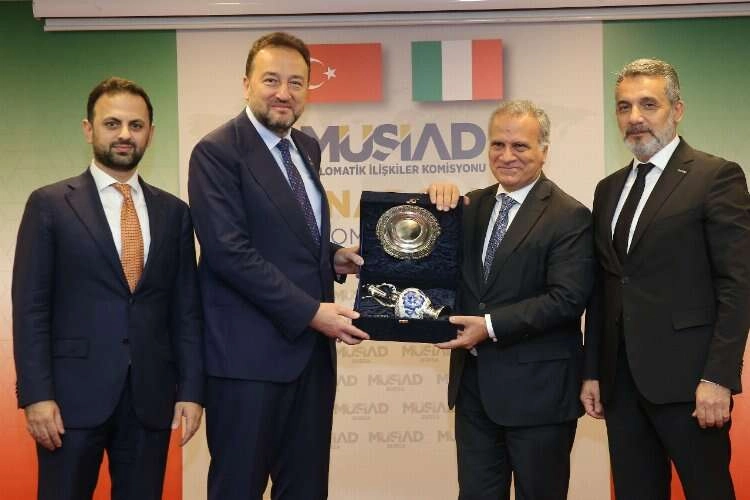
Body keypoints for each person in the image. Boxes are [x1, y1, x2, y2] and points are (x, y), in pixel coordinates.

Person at [188, 31, 369, 500]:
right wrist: (312, 312)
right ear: (246, 84)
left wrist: (332, 255)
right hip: (247, 362)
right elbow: (229, 252)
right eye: (271, 80)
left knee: (306, 489)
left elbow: (288, 233)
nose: (283, 93)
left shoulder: (306, 146)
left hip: (310, 361)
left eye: (296, 82)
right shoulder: (217, 151)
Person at [12, 77, 204, 500]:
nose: (124, 135)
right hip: (69, 401)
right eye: (112, 123)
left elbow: (186, 311)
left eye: (136, 125)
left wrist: (192, 390)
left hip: (150, 399)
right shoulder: (49, 205)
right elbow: (30, 309)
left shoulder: (175, 213)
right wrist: (36, 395)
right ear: (88, 129)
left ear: (151, 133)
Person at [580, 58, 750, 499]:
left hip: (692, 386)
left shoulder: (716, 177)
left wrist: (719, 378)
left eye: (648, 104)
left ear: (677, 110)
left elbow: (737, 285)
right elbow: (605, 286)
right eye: (624, 106)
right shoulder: (608, 189)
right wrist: (593, 371)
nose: (634, 117)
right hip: (621, 386)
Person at [430, 99, 594, 500]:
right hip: (474, 392)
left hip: (539, 396)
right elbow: (430, 266)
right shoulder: (469, 206)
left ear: (544, 151)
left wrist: (488, 327)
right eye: (497, 145)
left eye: (520, 146)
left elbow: (567, 298)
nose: (506, 156)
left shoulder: (568, 215)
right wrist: (430, 206)